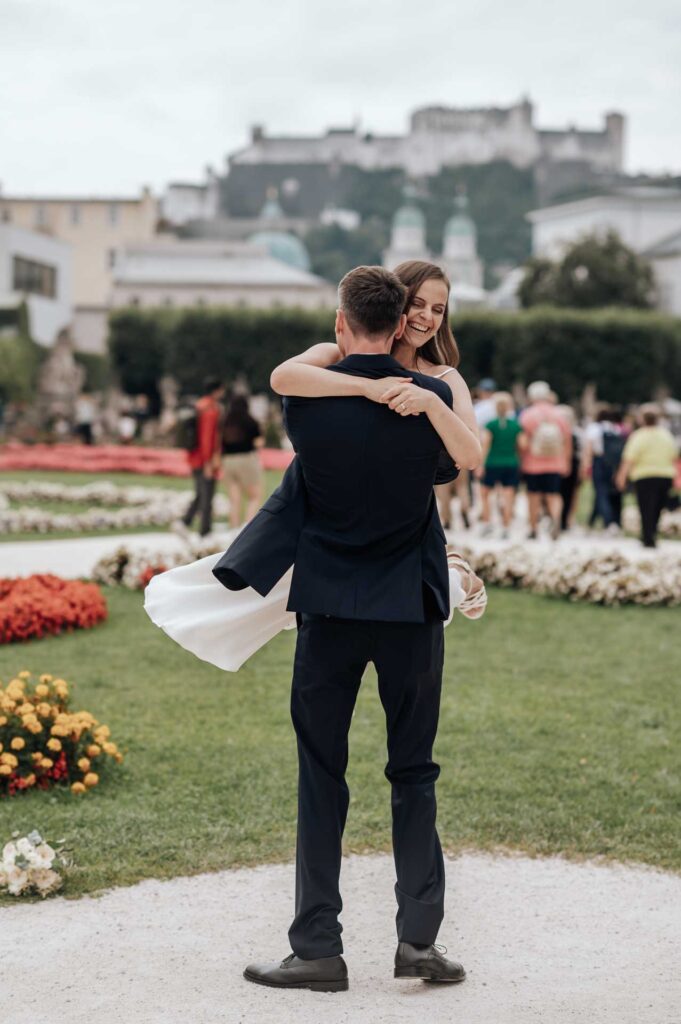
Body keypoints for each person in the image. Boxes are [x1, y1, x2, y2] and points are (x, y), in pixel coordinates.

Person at [214, 266, 480, 991]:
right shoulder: (427, 399)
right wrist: (411, 395)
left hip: (329, 607)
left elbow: (286, 376)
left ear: (340, 324)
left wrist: (361, 383)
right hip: (410, 608)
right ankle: (418, 943)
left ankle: (317, 949)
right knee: (414, 772)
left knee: (320, 776)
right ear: (399, 325)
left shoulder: (308, 402)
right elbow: (464, 460)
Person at [615, 406, 678, 548]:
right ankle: (651, 532)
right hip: (664, 475)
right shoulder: (666, 435)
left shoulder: (638, 436)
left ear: (642, 420)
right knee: (657, 506)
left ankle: (647, 535)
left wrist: (621, 476)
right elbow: (674, 456)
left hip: (644, 476)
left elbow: (629, 459)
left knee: (645, 506)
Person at [519, 380, 572, 540]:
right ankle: (555, 518)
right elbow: (567, 440)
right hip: (556, 462)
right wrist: (566, 462)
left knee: (533, 495)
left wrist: (521, 458)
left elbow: (523, 442)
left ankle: (533, 527)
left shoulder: (527, 415)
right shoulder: (559, 414)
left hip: (532, 463)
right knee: (553, 494)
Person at [178, 377, 224, 538]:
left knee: (202, 493)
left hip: (196, 457)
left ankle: (186, 522)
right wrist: (208, 462)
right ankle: (204, 530)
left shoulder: (200, 405)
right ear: (217, 390)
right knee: (207, 494)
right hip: (204, 459)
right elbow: (206, 437)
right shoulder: (210, 409)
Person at [477, 392, 524, 538]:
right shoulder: (515, 425)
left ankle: (487, 523)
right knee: (508, 496)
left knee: (485, 494)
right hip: (511, 463)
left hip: (492, 462)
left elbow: (485, 445)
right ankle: (506, 526)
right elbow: (522, 445)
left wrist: (480, 465)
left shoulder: (490, 425)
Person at [221, 395, 264, 528]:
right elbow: (259, 442)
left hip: (227, 460)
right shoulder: (250, 421)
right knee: (254, 497)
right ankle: (247, 528)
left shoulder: (225, 421)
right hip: (246, 459)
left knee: (234, 500)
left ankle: (233, 529)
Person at [582, 407, 625, 534]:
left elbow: (589, 448)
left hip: (599, 461)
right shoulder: (614, 428)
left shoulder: (594, 428)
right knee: (608, 492)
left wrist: (586, 465)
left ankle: (609, 522)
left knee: (601, 492)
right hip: (613, 464)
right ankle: (592, 521)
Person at [555, 404, 582, 532]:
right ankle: (565, 520)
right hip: (572, 464)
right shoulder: (577, 432)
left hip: (556, 464)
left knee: (556, 493)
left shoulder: (555, 431)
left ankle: (556, 518)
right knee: (569, 494)